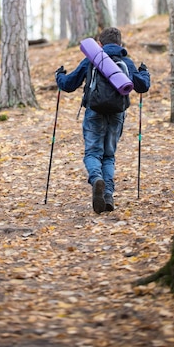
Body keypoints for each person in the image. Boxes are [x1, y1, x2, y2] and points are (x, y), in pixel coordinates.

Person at [55, 27, 150, 214]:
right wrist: (144, 72)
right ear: (120, 44)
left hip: (94, 112)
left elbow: (68, 84)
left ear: (99, 44)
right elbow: (143, 86)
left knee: (92, 153)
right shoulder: (126, 62)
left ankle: (96, 178)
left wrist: (59, 75)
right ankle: (107, 194)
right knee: (109, 155)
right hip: (117, 114)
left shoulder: (92, 60)